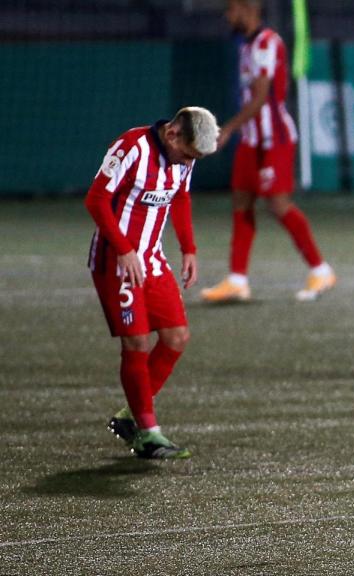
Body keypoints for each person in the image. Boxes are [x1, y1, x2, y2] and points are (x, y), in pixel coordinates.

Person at [86, 107, 219, 460]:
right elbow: (96, 200)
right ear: (173, 134)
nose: (186, 162)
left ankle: (131, 415)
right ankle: (148, 433)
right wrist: (125, 249)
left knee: (177, 337)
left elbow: (181, 197)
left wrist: (189, 249)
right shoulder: (132, 147)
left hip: (151, 259)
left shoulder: (183, 156)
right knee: (138, 342)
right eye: (187, 154)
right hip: (116, 260)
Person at [201, 0, 335, 303]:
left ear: (248, 8)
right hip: (252, 139)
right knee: (241, 202)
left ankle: (321, 269)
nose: (227, 15)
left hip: (274, 139)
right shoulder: (246, 45)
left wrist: (230, 128)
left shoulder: (266, 43)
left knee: (278, 206)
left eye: (231, 9)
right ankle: (237, 279)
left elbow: (261, 97)